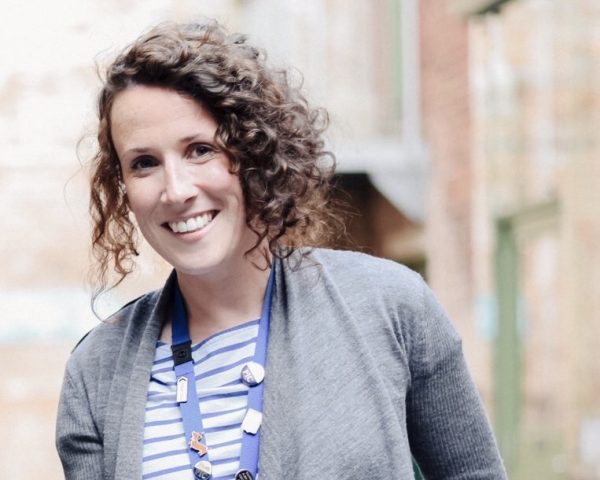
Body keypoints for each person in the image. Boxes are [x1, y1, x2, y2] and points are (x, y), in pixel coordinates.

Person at [56, 20, 507, 480]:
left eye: (200, 150)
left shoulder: (389, 307)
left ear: (254, 149)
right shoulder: (97, 372)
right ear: (123, 187)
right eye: (144, 163)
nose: (176, 190)